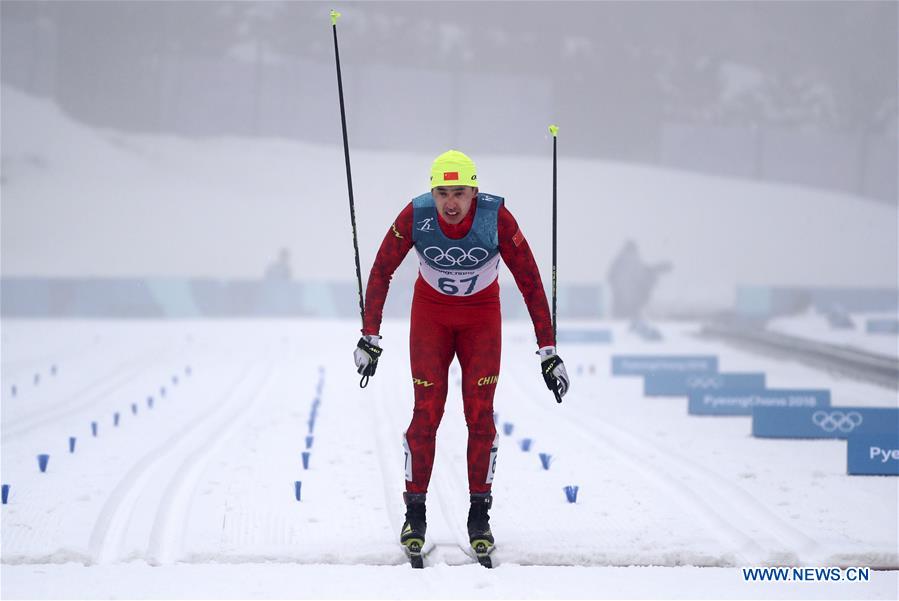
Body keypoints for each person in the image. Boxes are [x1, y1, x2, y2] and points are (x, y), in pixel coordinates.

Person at [352, 150, 570, 567]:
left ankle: (479, 518)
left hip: (481, 320)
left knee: (480, 415)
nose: (451, 203)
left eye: (460, 193)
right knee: (427, 413)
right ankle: (414, 518)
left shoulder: (495, 218)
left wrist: (548, 352)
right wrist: (370, 336)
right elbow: (381, 270)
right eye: (442, 193)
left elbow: (530, 281)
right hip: (431, 318)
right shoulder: (415, 216)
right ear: (432, 192)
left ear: (475, 191)